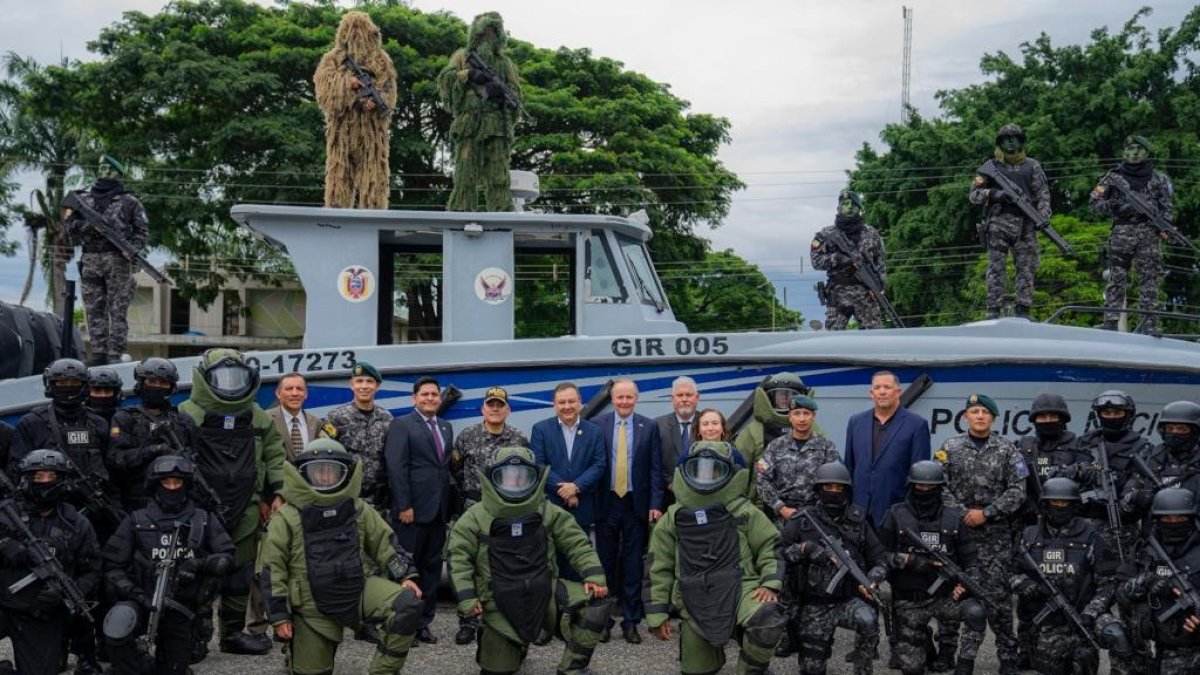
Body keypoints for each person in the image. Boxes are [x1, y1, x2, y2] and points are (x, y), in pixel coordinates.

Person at [258, 439, 423, 675]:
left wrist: (405, 574)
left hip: (357, 589)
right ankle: (296, 653)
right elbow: (271, 569)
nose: (325, 478)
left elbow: (385, 544)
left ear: (344, 475)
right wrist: (279, 615)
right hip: (310, 606)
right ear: (303, 474)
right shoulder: (287, 517)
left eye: (332, 471)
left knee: (406, 605)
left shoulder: (358, 509)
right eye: (318, 471)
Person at [448, 446, 612, 675]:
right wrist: (467, 598)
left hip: (544, 593)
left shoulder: (547, 510)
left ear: (534, 478)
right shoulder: (475, 516)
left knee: (596, 603)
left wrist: (594, 576)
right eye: (506, 476)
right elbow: (458, 559)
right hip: (497, 602)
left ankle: (572, 667)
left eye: (522, 477)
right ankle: (512, 645)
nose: (514, 483)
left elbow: (577, 543)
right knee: (497, 671)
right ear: (493, 478)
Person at [178, 348, 286, 656]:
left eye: (235, 377)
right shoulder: (188, 412)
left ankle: (232, 634)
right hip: (198, 509)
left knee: (239, 573)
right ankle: (194, 636)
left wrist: (276, 492)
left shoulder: (256, 415)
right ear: (204, 378)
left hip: (247, 506)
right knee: (196, 571)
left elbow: (275, 455)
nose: (229, 384)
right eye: (221, 378)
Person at [646, 440, 786, 674]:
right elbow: (657, 567)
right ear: (685, 472)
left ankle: (751, 668)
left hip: (742, 586)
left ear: (731, 473)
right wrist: (657, 615)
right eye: (698, 469)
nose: (705, 476)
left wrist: (771, 583)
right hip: (692, 597)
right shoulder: (672, 518)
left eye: (714, 470)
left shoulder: (744, 511)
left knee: (767, 619)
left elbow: (770, 546)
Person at [101, 455, 235, 675]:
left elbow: (227, 557)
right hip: (142, 602)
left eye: (177, 482)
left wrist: (198, 564)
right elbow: (112, 566)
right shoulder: (136, 520)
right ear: (155, 485)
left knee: (174, 667)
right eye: (166, 482)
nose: (172, 488)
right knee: (118, 624)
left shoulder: (203, 519)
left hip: (183, 607)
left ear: (186, 485)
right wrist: (136, 594)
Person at [935, 394, 1027, 675]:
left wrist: (986, 513)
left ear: (993, 418)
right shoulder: (949, 448)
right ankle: (947, 652)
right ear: (965, 416)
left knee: (998, 598)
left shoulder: (1008, 450)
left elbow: (1018, 491)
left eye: (985, 412)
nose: (979, 416)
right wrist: (963, 513)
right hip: (957, 535)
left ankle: (1008, 656)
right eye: (974, 411)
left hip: (995, 537)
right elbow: (938, 485)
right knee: (953, 595)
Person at [876, 460, 986, 675]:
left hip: (947, 598)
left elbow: (972, 562)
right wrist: (908, 561)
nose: (925, 491)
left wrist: (966, 585)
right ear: (911, 486)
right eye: (920, 486)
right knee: (913, 669)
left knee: (976, 612)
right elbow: (880, 554)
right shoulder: (895, 514)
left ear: (940, 488)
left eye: (931, 487)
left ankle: (963, 665)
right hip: (910, 601)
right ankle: (922, 640)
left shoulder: (954, 518)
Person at [778, 462, 887, 675]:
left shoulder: (858, 520)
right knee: (812, 669)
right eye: (828, 487)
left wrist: (873, 579)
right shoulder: (803, 521)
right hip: (813, 604)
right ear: (818, 489)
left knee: (868, 620)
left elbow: (880, 558)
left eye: (839, 488)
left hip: (848, 600)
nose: (834, 493)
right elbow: (779, 554)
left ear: (847, 490)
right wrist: (805, 548)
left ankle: (863, 669)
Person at [0, 449, 101, 675]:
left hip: (38, 613)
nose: (45, 482)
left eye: (51, 476)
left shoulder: (77, 523)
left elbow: (92, 572)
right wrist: (4, 543)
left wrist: (62, 596)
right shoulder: (7, 512)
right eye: (38, 476)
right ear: (27, 480)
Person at [1010, 392, 1089, 669]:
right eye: (1042, 417)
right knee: (1031, 584)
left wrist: (1072, 471)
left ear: (1063, 419)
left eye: (1052, 416)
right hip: (1032, 521)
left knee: (1063, 579)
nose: (1047, 421)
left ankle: (1072, 642)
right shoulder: (1025, 445)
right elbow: (1015, 477)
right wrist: (1032, 506)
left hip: (1063, 521)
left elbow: (1088, 473)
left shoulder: (1077, 445)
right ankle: (1026, 647)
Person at [1009, 477, 1118, 675]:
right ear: (1045, 504)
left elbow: (1109, 584)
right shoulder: (1030, 536)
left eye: (1064, 503)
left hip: (1080, 618)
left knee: (1112, 638)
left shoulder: (1091, 537)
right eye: (1054, 502)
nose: (1059, 507)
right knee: (1049, 665)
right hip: (1041, 620)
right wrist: (1026, 585)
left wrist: (1090, 613)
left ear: (1074, 505)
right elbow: (1011, 572)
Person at [447, 385, 527, 645]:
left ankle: (502, 616)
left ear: (508, 409)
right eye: (490, 405)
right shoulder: (467, 436)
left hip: (506, 512)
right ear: (483, 408)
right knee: (468, 564)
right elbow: (455, 472)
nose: (495, 409)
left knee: (503, 565)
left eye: (500, 405)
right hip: (472, 507)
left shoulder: (518, 439)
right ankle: (468, 620)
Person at [383, 375, 453, 644]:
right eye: (424, 395)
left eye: (434, 394)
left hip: (438, 512)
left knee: (432, 570)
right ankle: (404, 625)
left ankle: (423, 623)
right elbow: (396, 467)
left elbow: (443, 469)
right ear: (415, 398)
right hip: (411, 511)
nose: (430, 399)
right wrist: (404, 504)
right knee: (406, 569)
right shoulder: (402, 425)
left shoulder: (445, 427)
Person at [62, 155, 149, 366]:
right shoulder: (82, 199)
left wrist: (132, 250)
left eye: (109, 169)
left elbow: (142, 232)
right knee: (93, 308)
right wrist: (89, 226)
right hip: (90, 257)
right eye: (101, 168)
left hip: (117, 259)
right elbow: (69, 225)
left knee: (117, 309)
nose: (104, 173)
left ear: (118, 174)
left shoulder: (130, 202)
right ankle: (99, 352)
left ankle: (115, 354)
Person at [595, 377, 663, 644]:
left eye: (629, 397)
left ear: (636, 399)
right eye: (619, 397)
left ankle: (631, 622)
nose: (624, 401)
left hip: (637, 504)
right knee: (605, 564)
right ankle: (603, 621)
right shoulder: (597, 425)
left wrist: (655, 504)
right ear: (612, 398)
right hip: (607, 502)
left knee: (634, 565)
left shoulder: (650, 426)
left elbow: (656, 469)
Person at [437, 11, 523, 212]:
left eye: (493, 31)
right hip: (469, 124)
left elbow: (515, 95)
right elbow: (446, 80)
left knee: (499, 176)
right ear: (475, 33)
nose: (488, 35)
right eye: (484, 31)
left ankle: (501, 213)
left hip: (496, 126)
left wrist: (501, 94)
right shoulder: (462, 56)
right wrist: (469, 74)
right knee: (465, 173)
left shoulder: (505, 63)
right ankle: (462, 212)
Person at [1090, 134, 1175, 334]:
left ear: (1146, 152)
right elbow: (1094, 204)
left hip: (1149, 235)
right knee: (1116, 277)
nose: (1134, 153)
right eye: (1130, 149)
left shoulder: (1159, 179)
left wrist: (1165, 228)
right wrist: (1117, 206)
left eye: (1139, 149)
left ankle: (1149, 324)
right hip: (1122, 233)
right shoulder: (1112, 178)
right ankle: (1110, 321)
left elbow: (1167, 210)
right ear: (1123, 152)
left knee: (1150, 279)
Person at [313, 11, 398, 209]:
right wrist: (347, 84)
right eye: (352, 28)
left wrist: (376, 102)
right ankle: (336, 220)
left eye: (360, 28)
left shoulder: (381, 60)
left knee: (374, 179)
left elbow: (389, 89)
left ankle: (373, 218)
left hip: (372, 133)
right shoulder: (333, 59)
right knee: (338, 177)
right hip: (342, 131)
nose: (356, 33)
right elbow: (323, 89)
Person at [1055, 390, 1151, 562]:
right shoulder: (1083, 442)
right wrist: (1079, 470)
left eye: (1117, 413)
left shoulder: (1141, 448)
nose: (1111, 417)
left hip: (1118, 529)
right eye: (1106, 413)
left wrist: (1103, 477)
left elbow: (1137, 487)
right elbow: (1058, 473)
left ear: (1128, 415)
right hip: (1079, 526)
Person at [969, 123, 1051, 320]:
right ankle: (993, 309)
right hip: (999, 222)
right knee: (996, 268)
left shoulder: (1032, 166)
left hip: (1026, 224)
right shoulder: (991, 167)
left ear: (1021, 141)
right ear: (1000, 142)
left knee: (1027, 266)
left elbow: (1043, 194)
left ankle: (1023, 309)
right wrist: (995, 193)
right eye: (1006, 138)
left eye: (1015, 137)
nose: (1011, 141)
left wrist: (1042, 216)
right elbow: (973, 195)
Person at [1116, 488, 1200, 673]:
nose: (1173, 523)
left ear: (1192, 519)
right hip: (1146, 648)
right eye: (1167, 519)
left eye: (1180, 519)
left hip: (1189, 652)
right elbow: (1121, 593)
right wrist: (1147, 581)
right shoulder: (1145, 549)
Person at [108, 357, 198, 511]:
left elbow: (195, 457)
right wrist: (155, 450)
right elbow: (116, 459)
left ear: (171, 387)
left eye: (163, 383)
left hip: (178, 501)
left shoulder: (183, 420)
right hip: (138, 502)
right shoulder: (125, 418)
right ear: (141, 383)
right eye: (152, 382)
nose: (157, 387)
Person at [843, 370, 931, 525]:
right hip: (858, 514)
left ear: (898, 392)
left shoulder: (917, 425)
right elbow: (849, 467)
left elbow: (919, 476)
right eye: (877, 388)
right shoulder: (856, 422)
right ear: (871, 393)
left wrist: (910, 514)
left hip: (895, 515)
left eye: (887, 387)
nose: (882, 392)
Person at [756, 394, 841, 527]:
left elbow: (835, 482)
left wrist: (819, 510)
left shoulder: (826, 447)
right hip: (783, 519)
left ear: (813, 416)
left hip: (817, 519)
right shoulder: (775, 446)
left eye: (806, 413)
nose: (802, 419)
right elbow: (762, 480)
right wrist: (781, 508)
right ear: (790, 417)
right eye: (797, 413)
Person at [810, 189, 888, 330]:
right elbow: (816, 261)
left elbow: (880, 264)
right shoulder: (826, 234)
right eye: (845, 205)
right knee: (834, 339)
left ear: (859, 208)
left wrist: (880, 286)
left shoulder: (871, 234)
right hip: (838, 293)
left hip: (866, 294)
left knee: (874, 339)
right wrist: (837, 258)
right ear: (838, 207)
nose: (848, 208)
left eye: (852, 205)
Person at [734, 372, 813, 505]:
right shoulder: (753, 432)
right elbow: (737, 475)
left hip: (804, 509)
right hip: (761, 509)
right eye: (780, 394)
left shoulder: (815, 431)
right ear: (769, 398)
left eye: (790, 395)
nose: (785, 399)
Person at [322, 362, 393, 506]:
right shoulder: (336, 417)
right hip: (347, 496)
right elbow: (326, 456)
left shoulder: (387, 418)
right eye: (359, 381)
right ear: (351, 385)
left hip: (380, 499)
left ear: (377, 386)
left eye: (369, 382)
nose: (364, 386)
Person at [1122, 400, 1200, 519]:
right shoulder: (1148, 459)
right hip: (1156, 532)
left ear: (1195, 432)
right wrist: (1136, 498)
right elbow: (1125, 502)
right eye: (1170, 428)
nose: (1174, 433)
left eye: (1182, 429)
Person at [655, 376, 700, 499]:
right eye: (680, 395)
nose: (684, 399)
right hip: (667, 497)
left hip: (703, 495)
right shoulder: (658, 426)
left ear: (697, 398)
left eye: (689, 395)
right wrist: (670, 483)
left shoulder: (708, 423)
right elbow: (654, 462)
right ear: (672, 399)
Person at [269, 373, 322, 462]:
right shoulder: (266, 420)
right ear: (278, 393)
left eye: (300, 389)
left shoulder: (316, 423)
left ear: (306, 394)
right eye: (289, 389)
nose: (295, 393)